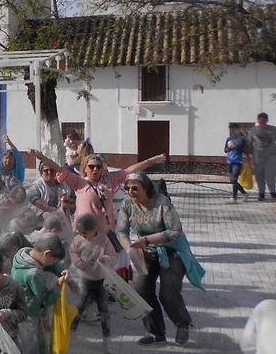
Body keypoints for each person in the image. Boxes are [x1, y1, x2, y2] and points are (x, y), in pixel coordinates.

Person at [116, 171, 201, 346]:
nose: (131, 191)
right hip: (146, 251)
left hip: (173, 251)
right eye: (128, 188)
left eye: (135, 188)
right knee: (140, 289)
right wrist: (129, 249)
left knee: (167, 292)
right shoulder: (127, 204)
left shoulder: (162, 203)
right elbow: (121, 231)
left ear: (145, 187)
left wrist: (147, 239)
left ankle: (182, 323)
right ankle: (156, 332)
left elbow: (175, 231)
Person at [30, 149, 166, 239]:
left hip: (105, 233)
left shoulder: (110, 180)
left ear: (102, 169)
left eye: (98, 167)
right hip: (83, 233)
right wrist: (41, 156)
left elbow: (129, 170)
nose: (95, 169)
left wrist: (152, 160)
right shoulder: (78, 182)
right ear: (85, 168)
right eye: (91, 166)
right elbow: (58, 168)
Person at [10, 233, 70, 354]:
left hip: (16, 307)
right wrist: (58, 286)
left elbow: (46, 264)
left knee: (26, 341)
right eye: (53, 261)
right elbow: (45, 299)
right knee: (33, 346)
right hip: (29, 313)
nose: (52, 264)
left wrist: (60, 269)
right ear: (47, 253)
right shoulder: (34, 274)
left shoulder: (22, 255)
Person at [69, 213, 117, 352]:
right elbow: (73, 253)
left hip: (101, 280)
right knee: (79, 308)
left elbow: (113, 255)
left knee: (104, 310)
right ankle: (71, 335)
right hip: (85, 280)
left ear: (94, 229)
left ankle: (106, 339)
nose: (83, 236)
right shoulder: (78, 240)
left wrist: (106, 259)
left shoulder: (103, 239)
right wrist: (78, 263)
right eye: (80, 233)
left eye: (85, 233)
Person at [248, 112, 276, 201]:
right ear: (258, 120)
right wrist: (247, 156)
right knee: (259, 176)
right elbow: (249, 143)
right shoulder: (253, 130)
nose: (262, 122)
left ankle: (272, 192)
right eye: (260, 120)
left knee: (270, 175)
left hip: (271, 156)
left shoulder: (273, 129)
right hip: (257, 157)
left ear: (267, 120)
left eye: (264, 120)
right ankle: (261, 193)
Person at [225, 123, 249, 202]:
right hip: (229, 161)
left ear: (236, 129)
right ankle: (244, 193)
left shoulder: (241, 138)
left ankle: (234, 197)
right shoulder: (228, 139)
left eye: (233, 129)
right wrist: (229, 147)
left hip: (237, 161)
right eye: (230, 129)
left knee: (234, 179)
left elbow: (240, 147)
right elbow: (225, 150)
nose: (231, 130)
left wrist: (233, 146)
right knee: (232, 180)